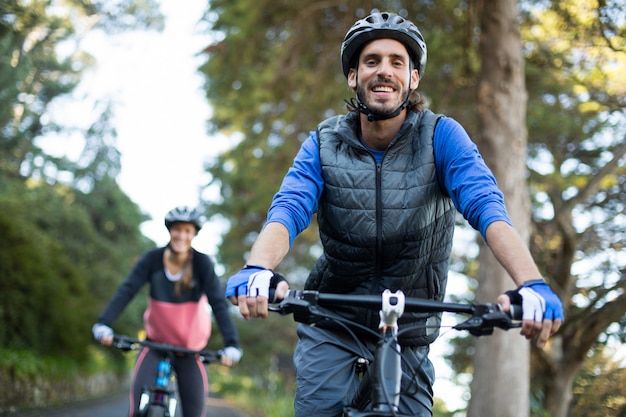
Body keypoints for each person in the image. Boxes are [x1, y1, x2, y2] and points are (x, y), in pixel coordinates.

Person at [225, 11, 564, 417]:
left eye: (396, 62)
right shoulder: (323, 142)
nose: (384, 71)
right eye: (371, 61)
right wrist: (257, 268)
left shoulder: (441, 135)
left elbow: (486, 207)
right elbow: (289, 209)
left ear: (413, 79)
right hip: (334, 321)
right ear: (353, 77)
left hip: (412, 325)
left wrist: (532, 283)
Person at [92, 206, 242, 417]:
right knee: (135, 410)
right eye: (177, 229)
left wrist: (232, 345)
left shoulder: (202, 264)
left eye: (187, 231)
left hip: (190, 349)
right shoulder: (152, 259)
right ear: (170, 230)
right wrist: (104, 323)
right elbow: (128, 290)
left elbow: (218, 303)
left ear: (194, 234)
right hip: (154, 343)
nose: (181, 235)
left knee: (195, 413)